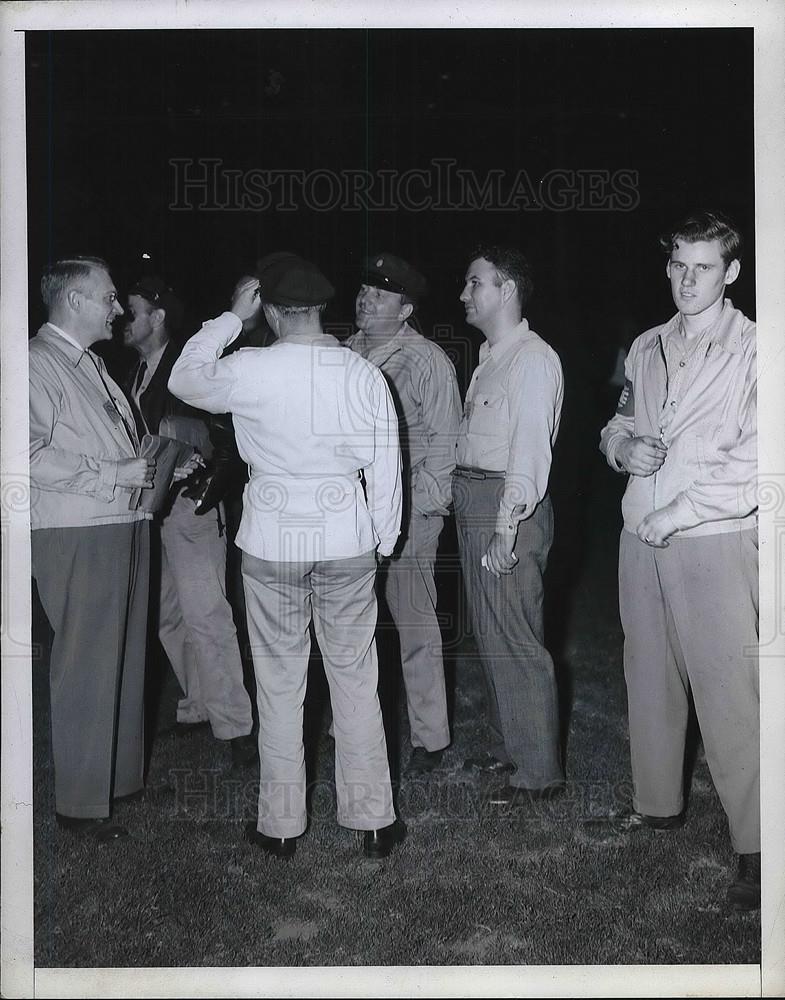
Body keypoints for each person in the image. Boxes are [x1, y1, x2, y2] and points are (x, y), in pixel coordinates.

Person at [168, 254, 406, 860]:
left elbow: (184, 378)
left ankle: (280, 827)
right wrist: (380, 540)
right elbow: (386, 470)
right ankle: (374, 820)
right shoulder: (361, 373)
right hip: (346, 537)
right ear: (322, 308)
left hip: (273, 540)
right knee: (355, 676)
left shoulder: (249, 367)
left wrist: (228, 319)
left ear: (269, 309)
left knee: (279, 682)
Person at [599, 210, 759, 910]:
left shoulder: (758, 348)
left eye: (703, 267)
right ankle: (657, 802)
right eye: (677, 265)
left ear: (729, 273)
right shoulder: (645, 345)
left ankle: (756, 849)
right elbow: (620, 421)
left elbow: (756, 463)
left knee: (730, 697)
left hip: (710, 540)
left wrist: (675, 514)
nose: (687, 280)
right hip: (641, 538)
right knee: (649, 676)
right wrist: (619, 449)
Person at [29, 256, 154, 841]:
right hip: (77, 528)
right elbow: (24, 454)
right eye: (108, 297)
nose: (118, 307)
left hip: (122, 520)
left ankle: (118, 781)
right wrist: (111, 475)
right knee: (84, 665)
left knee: (124, 660)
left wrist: (162, 463)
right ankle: (80, 804)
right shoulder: (34, 363)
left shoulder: (93, 366)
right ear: (74, 300)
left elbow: (115, 440)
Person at [122, 275, 256, 769]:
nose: (123, 318)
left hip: (188, 510)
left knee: (208, 615)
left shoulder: (188, 369)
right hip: (150, 509)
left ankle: (236, 723)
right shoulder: (131, 373)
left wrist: (203, 496)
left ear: (157, 317)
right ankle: (200, 704)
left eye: (133, 311)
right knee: (168, 616)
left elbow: (227, 439)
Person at [454, 244, 565, 805]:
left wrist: (507, 525)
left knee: (515, 637)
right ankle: (509, 747)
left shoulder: (532, 360)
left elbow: (528, 452)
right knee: (490, 633)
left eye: (475, 283)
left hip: (505, 504)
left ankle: (538, 771)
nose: (464, 294)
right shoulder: (490, 357)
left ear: (508, 289)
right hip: (475, 498)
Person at [346, 252, 461, 777]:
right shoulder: (346, 353)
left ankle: (431, 737)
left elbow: (444, 442)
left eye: (380, 294)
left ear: (406, 307)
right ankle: (349, 724)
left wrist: (426, 509)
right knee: (350, 624)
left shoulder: (425, 360)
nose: (366, 300)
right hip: (350, 512)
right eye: (364, 290)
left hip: (408, 511)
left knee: (413, 623)